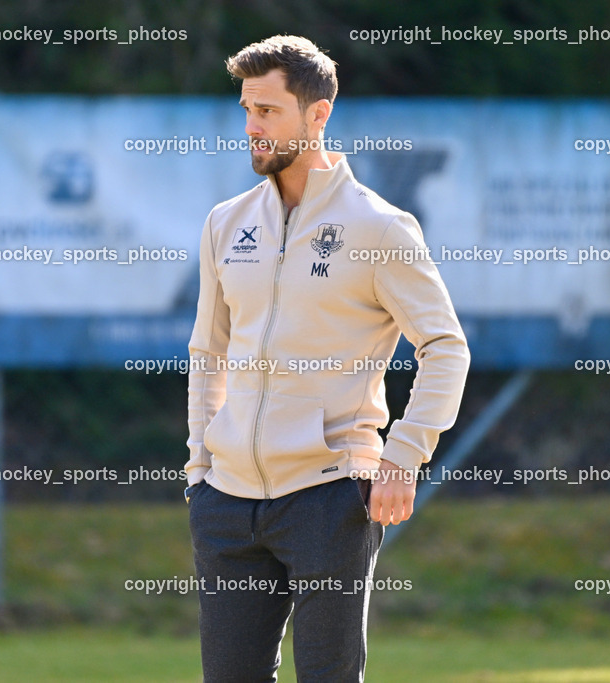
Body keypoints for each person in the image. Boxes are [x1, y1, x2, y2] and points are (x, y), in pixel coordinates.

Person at [184, 34, 471, 681]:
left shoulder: (380, 227)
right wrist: (201, 462)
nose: (253, 127)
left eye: (269, 111)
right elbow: (209, 350)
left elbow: (446, 346)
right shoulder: (225, 224)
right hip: (225, 501)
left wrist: (404, 454)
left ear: (318, 115)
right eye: (247, 110)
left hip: (327, 496)